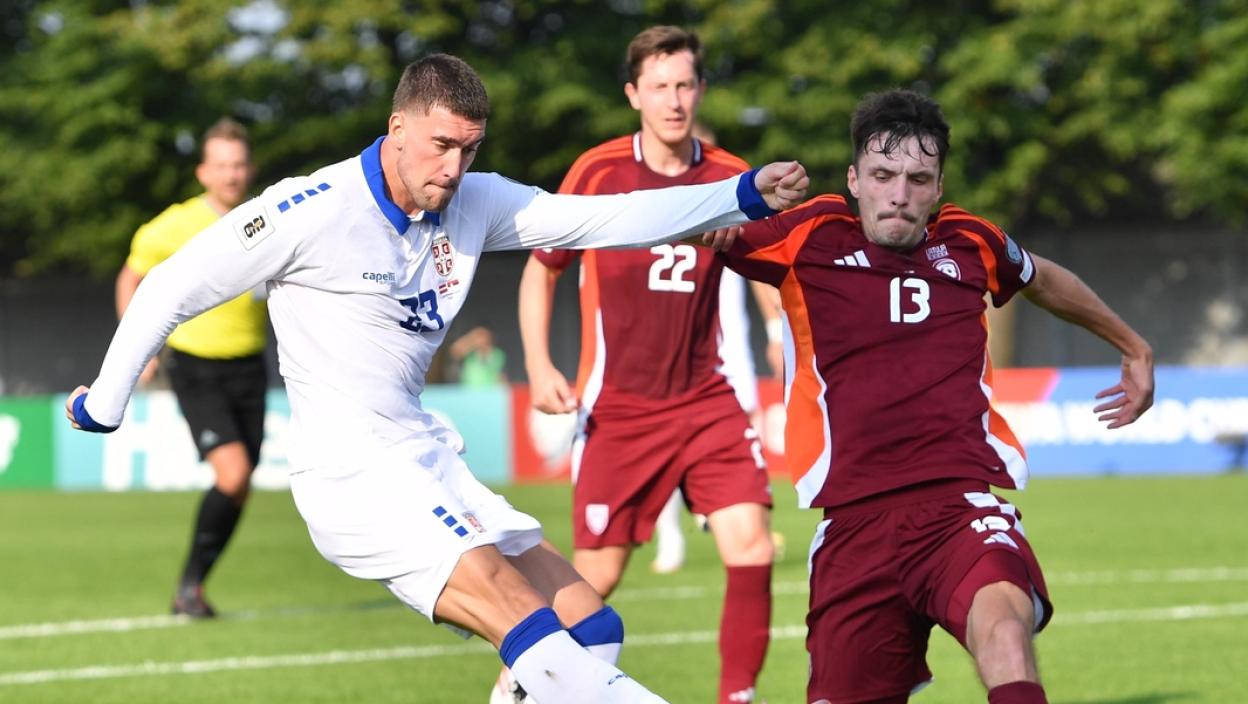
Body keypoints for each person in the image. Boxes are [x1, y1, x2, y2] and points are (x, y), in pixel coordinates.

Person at [66, 53, 807, 704]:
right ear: (397, 128)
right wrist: (104, 401)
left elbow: (600, 220)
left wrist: (740, 194)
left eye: (469, 148)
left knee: (592, 628)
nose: (453, 167)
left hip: (424, 458)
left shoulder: (474, 200)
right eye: (441, 145)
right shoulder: (310, 209)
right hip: (353, 479)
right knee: (532, 627)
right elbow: (170, 285)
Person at [719, 89, 1154, 704]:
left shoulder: (970, 241)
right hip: (852, 526)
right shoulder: (809, 233)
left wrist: (1132, 345)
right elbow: (704, 231)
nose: (899, 193)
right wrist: (726, 204)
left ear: (938, 187)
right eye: (882, 176)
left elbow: (1043, 278)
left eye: (918, 179)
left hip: (960, 508)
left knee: (1005, 630)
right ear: (854, 180)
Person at [517, 27, 775, 704]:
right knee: (594, 581)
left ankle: (736, 698)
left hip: (707, 398)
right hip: (620, 409)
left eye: (685, 85)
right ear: (634, 94)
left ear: (701, 90)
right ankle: (515, 686)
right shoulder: (597, 173)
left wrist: (780, 325)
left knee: (751, 546)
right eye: (659, 87)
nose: (674, 100)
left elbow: (777, 267)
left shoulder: (732, 176)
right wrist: (539, 363)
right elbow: (542, 270)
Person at [115, 117, 266, 618]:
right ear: (203, 172)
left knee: (241, 485)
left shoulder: (268, 219)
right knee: (233, 474)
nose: (231, 174)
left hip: (250, 364)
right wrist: (140, 349)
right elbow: (131, 277)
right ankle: (189, 586)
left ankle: (192, 589)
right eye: (221, 165)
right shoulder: (174, 225)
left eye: (238, 165)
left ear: (251, 169)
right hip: (196, 364)